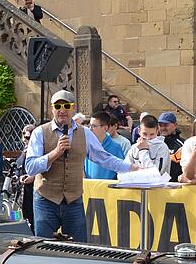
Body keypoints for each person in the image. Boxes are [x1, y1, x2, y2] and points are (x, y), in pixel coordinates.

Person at [25, 89, 139, 242]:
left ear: (73, 108)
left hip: (73, 201)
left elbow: (104, 158)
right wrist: (55, 153)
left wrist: (132, 168)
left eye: (66, 106)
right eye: (58, 106)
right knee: (44, 248)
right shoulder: (40, 132)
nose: (62, 110)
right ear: (52, 108)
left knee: (80, 249)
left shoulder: (85, 133)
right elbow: (30, 167)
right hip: (46, 200)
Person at [84, 112, 125, 180]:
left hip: (107, 189)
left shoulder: (115, 148)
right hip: (89, 188)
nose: (90, 129)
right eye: (89, 126)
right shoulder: (87, 145)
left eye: (94, 126)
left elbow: (121, 172)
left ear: (105, 128)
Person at [15, 124, 36, 229]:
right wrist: (19, 177)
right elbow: (18, 168)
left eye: (27, 137)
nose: (24, 140)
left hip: (34, 193)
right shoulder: (24, 151)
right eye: (23, 136)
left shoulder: (38, 151)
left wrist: (33, 177)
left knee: (33, 222)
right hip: (21, 194)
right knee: (19, 221)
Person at [158, 112, 185, 182]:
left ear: (175, 125)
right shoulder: (155, 143)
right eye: (160, 125)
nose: (163, 128)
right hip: (156, 186)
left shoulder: (182, 145)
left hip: (176, 187)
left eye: (166, 125)